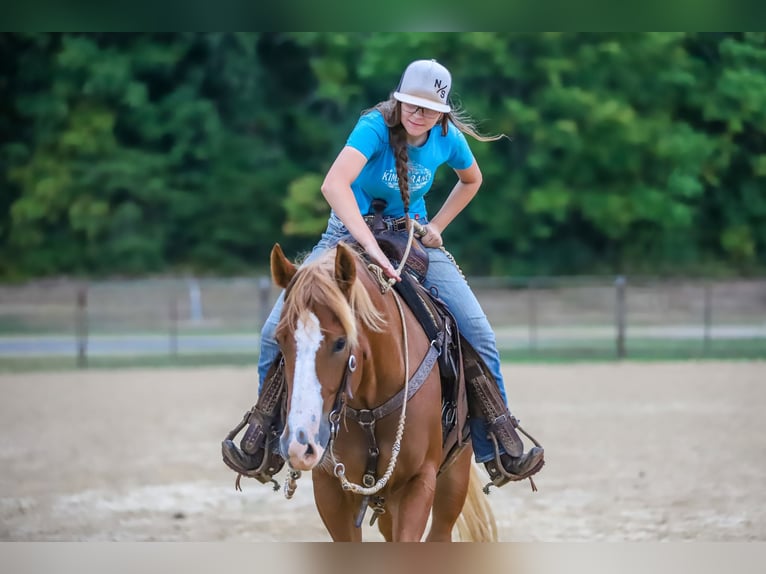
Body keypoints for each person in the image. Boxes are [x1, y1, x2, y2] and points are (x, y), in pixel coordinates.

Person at [222, 59, 544, 487]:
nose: (418, 114)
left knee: (479, 332)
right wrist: (370, 248)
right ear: (398, 99)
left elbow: (472, 180)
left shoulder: (446, 138)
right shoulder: (374, 127)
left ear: (442, 113)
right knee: (271, 332)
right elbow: (333, 185)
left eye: (428, 109)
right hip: (346, 235)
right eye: (411, 104)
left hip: (410, 238)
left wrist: (437, 228)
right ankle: (264, 436)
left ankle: (496, 444)